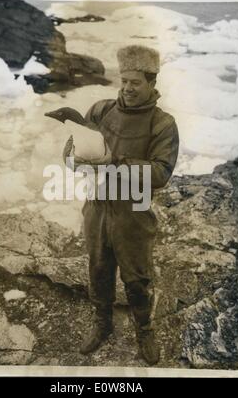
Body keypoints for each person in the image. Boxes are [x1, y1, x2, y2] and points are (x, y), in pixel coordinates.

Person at [65, 45, 179, 365]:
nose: (127, 88)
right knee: (98, 270)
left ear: (152, 83)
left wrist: (116, 161)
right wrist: (76, 160)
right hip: (97, 208)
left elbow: (161, 173)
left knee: (137, 278)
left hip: (134, 213)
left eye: (136, 83)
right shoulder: (100, 111)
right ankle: (102, 324)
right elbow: (70, 152)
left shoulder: (163, 123)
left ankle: (144, 330)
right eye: (124, 80)